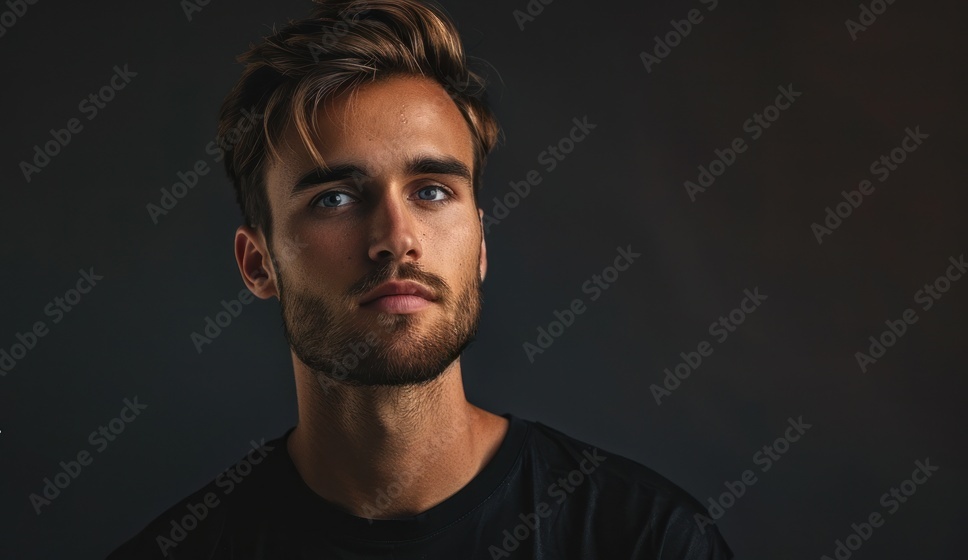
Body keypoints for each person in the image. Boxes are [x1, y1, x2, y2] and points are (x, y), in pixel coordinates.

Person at [107, 1, 733, 558]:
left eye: (432, 190)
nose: (395, 239)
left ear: (481, 243)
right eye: (334, 199)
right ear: (258, 263)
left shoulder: (646, 540)